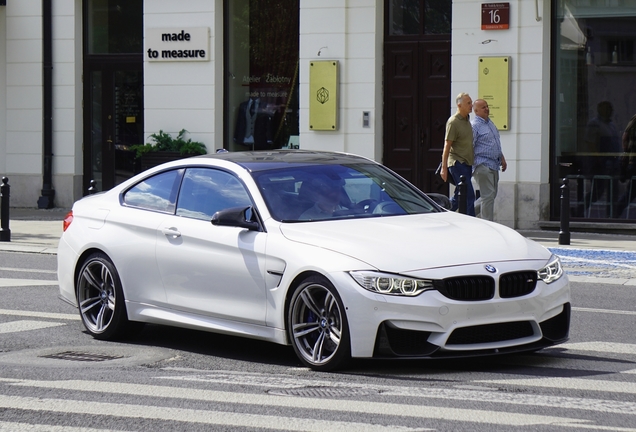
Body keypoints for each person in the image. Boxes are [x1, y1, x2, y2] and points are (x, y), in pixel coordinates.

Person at [471, 99, 507, 221]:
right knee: (487, 197)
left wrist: (502, 158)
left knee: (490, 195)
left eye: (487, 106)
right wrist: (474, 164)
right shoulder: (475, 126)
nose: (487, 109)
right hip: (482, 164)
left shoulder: (489, 123)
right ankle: (488, 225)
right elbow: (470, 146)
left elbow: (495, 142)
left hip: (494, 164)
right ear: (476, 111)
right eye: (483, 107)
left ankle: (465, 213)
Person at [441, 92, 475, 216]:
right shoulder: (453, 122)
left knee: (459, 196)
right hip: (457, 163)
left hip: (467, 164)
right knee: (469, 195)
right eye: (468, 103)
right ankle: (473, 224)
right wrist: (444, 168)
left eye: (471, 102)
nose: (471, 105)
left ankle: (442, 213)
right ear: (459, 105)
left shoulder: (467, 120)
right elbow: (447, 146)